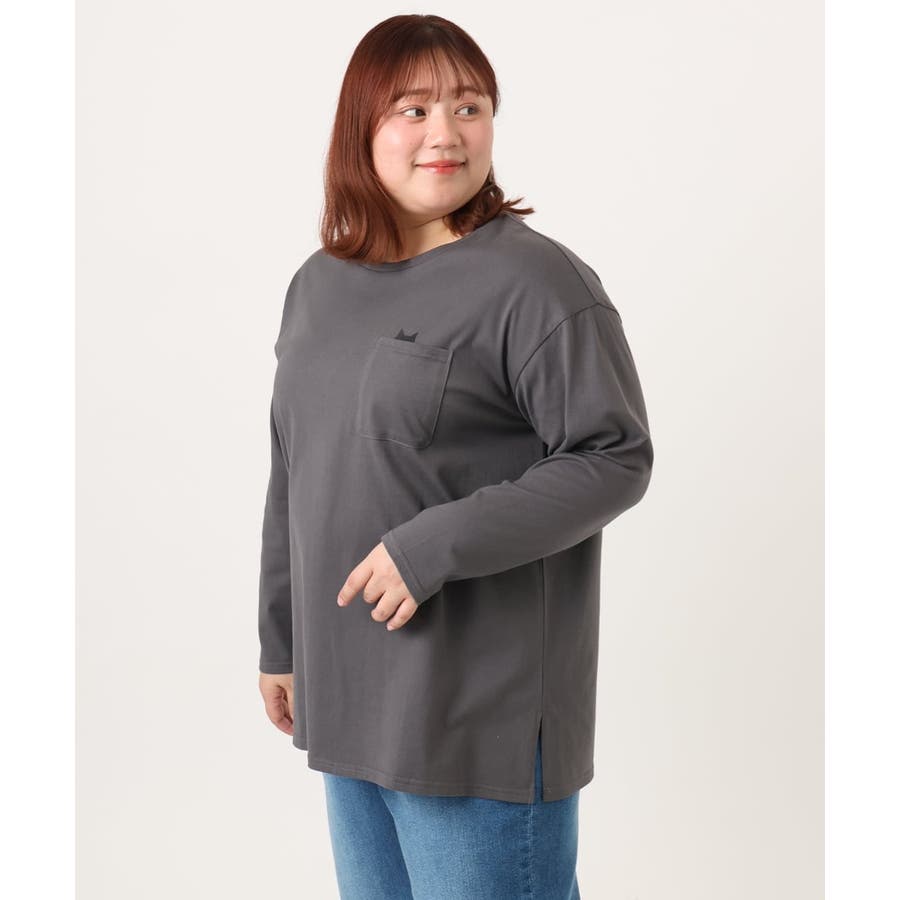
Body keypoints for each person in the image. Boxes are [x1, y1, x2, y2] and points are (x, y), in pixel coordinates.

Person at [256, 13, 654, 900]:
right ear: (360, 129)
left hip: (479, 720)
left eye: (469, 107)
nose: (446, 133)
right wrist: (281, 638)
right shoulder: (317, 287)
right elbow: (295, 474)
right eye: (414, 109)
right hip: (351, 704)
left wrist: (430, 545)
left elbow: (613, 455)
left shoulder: (536, 283)